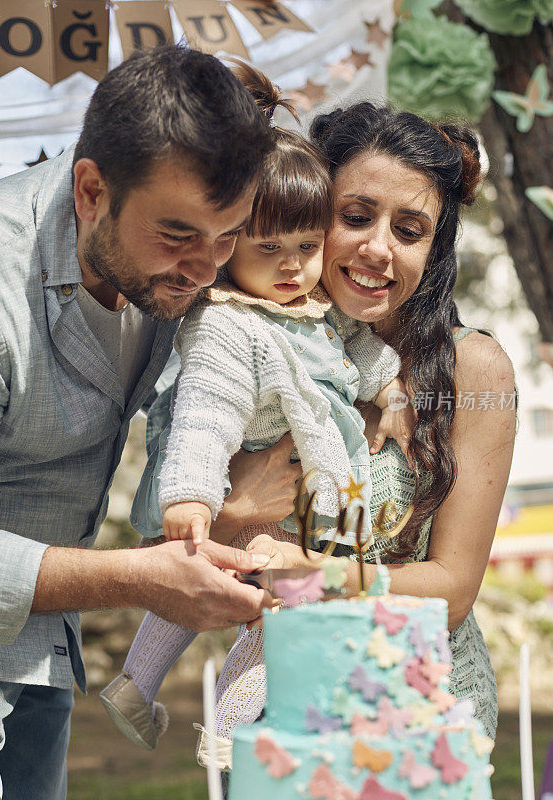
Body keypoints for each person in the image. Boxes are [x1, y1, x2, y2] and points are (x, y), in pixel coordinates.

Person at [0, 45, 307, 800]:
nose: (204, 270)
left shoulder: (182, 264)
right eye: (177, 237)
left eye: (227, 237)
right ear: (91, 190)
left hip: (41, 651)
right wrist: (137, 578)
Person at [100, 65, 414, 758]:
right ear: (226, 244)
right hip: (251, 498)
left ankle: (136, 686)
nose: (292, 268)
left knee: (258, 606)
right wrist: (189, 493)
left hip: (310, 494)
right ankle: (227, 736)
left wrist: (389, 393)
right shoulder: (226, 327)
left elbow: (354, 356)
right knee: (275, 614)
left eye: (306, 248)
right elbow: (205, 414)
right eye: (267, 248)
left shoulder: (307, 315)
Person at [244, 103, 516, 741]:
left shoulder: (473, 372)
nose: (378, 248)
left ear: (434, 249)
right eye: (356, 216)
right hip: (279, 708)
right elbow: (194, 536)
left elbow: (451, 592)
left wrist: (309, 575)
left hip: (422, 721)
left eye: (410, 229)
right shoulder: (255, 344)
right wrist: (235, 506)